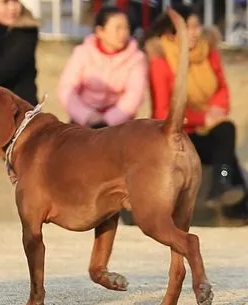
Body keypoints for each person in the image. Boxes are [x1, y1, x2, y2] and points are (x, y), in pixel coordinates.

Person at [145, 4, 247, 211]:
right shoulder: (161, 61)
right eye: (188, 27)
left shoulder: (208, 51)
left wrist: (216, 111)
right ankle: (238, 205)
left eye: (197, 26)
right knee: (230, 159)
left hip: (206, 131)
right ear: (171, 33)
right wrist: (202, 118)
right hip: (176, 136)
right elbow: (162, 113)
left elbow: (221, 90)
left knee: (226, 131)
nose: (195, 32)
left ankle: (221, 183)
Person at [56, 6, 147, 129]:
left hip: (120, 125)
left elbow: (134, 95)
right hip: (83, 123)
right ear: (100, 31)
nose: (123, 33)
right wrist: (87, 116)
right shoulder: (83, 52)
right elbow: (66, 89)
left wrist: (109, 120)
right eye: (118, 28)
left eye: (126, 28)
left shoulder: (136, 58)